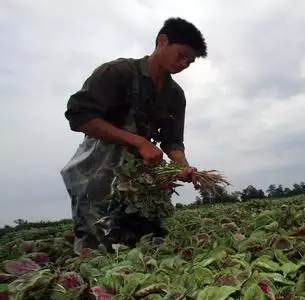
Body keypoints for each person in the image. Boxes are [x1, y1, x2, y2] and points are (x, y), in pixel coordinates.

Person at [61, 17, 207, 255]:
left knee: (147, 242)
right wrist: (140, 142)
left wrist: (182, 166)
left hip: (142, 178)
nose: (183, 64)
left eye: (189, 62)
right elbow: (79, 116)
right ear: (162, 41)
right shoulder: (118, 72)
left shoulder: (175, 95)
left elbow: (172, 140)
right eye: (180, 55)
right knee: (98, 246)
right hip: (99, 173)